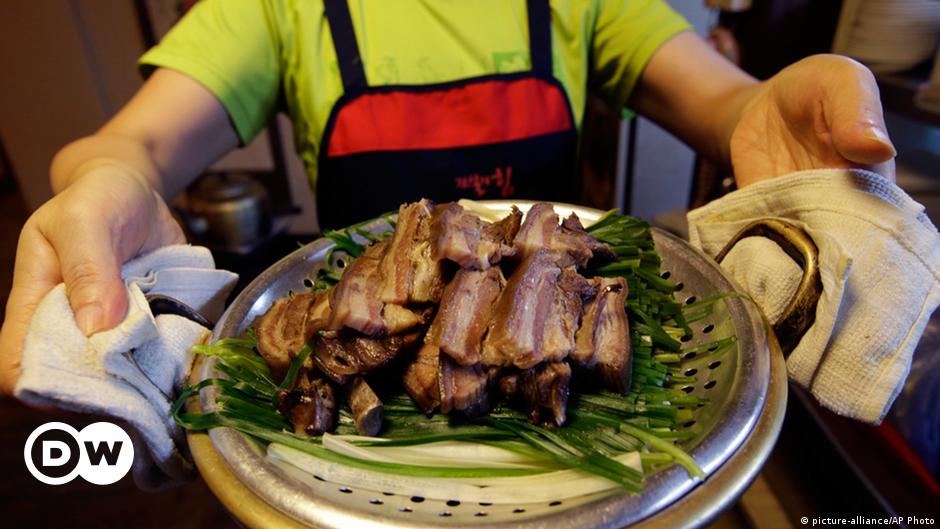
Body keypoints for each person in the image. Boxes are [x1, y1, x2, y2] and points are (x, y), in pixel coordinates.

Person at [0, 0, 897, 396]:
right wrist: (102, 173)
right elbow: (138, 141)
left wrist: (764, 107)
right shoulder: (279, 5)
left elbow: (726, 102)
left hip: (538, 369)